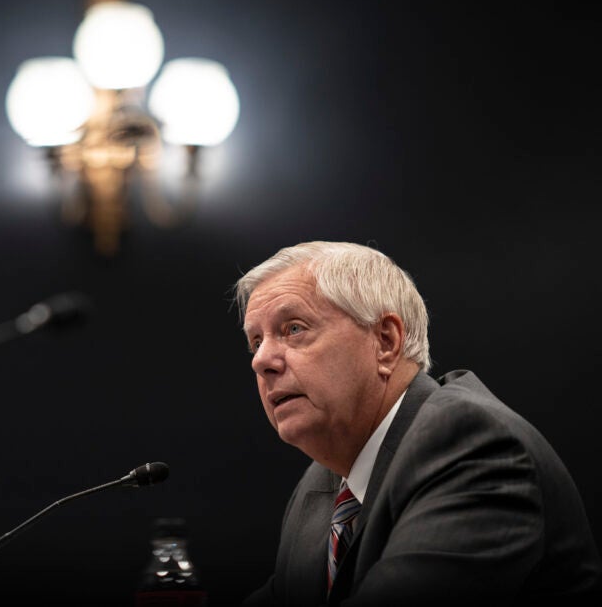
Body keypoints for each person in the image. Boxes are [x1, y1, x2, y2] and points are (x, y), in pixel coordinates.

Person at [236, 241, 601, 606]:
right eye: (255, 342)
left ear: (385, 341)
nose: (261, 360)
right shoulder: (321, 483)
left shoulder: (473, 446)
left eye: (294, 328)